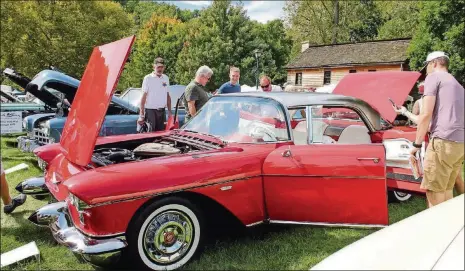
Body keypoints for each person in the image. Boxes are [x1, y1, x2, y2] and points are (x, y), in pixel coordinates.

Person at [409, 51, 464, 207]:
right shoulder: (457, 84)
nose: (426, 70)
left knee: (434, 192)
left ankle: (436, 230)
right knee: (446, 190)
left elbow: (426, 114)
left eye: (426, 66)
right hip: (459, 144)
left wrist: (416, 145)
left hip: (443, 141)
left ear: (433, 63)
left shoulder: (433, 78)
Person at [394, 81, 464, 196]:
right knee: (453, 178)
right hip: (457, 142)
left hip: (439, 142)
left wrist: (405, 112)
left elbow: (423, 123)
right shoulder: (451, 101)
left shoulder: (424, 102)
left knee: (437, 185)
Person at [137, 57, 172, 132]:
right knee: (151, 134)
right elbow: (143, 97)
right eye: (158, 67)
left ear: (164, 67)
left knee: (162, 134)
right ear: (154, 67)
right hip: (150, 111)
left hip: (162, 111)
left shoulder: (166, 78)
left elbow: (168, 96)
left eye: (161, 67)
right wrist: (141, 115)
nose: (160, 69)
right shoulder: (148, 78)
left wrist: (169, 112)